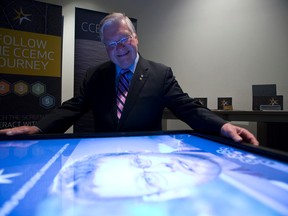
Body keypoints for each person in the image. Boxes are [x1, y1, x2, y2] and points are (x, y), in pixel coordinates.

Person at [0, 12, 258, 145]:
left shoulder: (160, 73)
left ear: (135, 38)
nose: (119, 47)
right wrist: (40, 128)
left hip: (147, 160)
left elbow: (188, 108)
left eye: (123, 39)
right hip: (103, 156)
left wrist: (222, 126)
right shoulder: (96, 75)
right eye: (111, 43)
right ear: (105, 47)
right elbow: (73, 107)